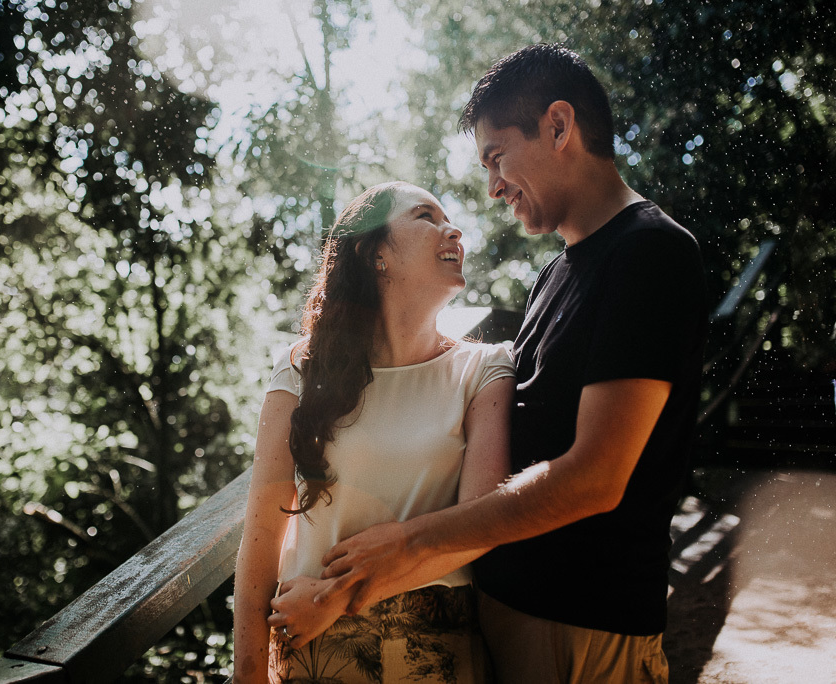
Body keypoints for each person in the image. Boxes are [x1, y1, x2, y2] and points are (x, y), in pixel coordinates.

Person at [270, 44, 708, 683]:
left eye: (497, 157)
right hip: (504, 620)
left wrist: (411, 542)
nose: (493, 186)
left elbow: (596, 477)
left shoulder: (651, 254)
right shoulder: (558, 273)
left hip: (583, 626)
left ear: (559, 126)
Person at [232, 181, 516, 683]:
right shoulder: (300, 369)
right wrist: (247, 675)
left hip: (436, 650)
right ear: (375, 253)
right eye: (426, 216)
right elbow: (259, 553)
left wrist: (334, 597)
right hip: (312, 649)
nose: (454, 231)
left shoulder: (485, 368)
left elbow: (480, 526)